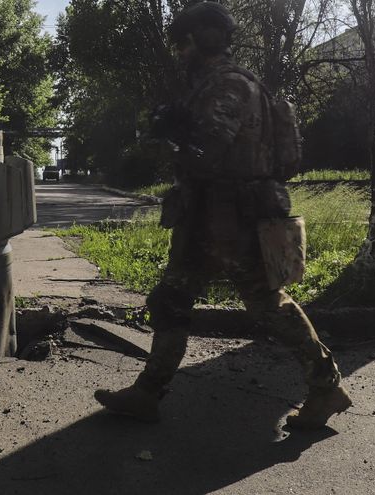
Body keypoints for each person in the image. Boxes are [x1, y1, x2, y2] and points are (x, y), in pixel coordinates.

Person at [93, 1, 352, 430]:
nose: (180, 54)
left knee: (268, 306)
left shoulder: (229, 85)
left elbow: (206, 156)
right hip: (211, 217)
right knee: (172, 299)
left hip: (232, 220)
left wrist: (169, 135)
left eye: (184, 45)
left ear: (205, 39)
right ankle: (147, 392)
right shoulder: (225, 84)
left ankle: (326, 387)